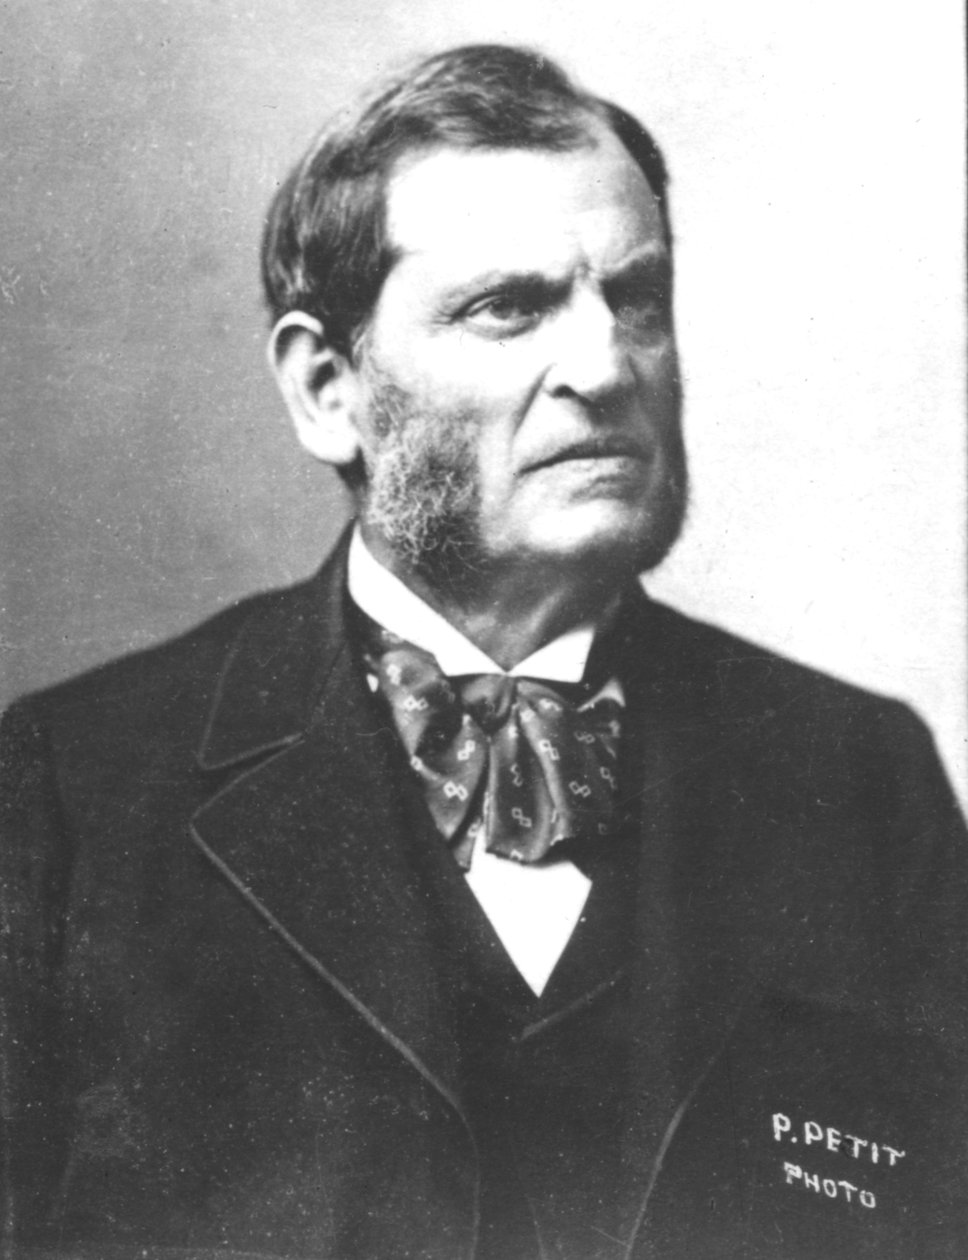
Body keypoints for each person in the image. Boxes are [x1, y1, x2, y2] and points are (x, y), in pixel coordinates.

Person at [1, 43, 965, 1260]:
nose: (604, 366)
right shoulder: (72, 788)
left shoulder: (859, 778)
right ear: (327, 390)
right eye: (508, 307)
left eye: (636, 298)